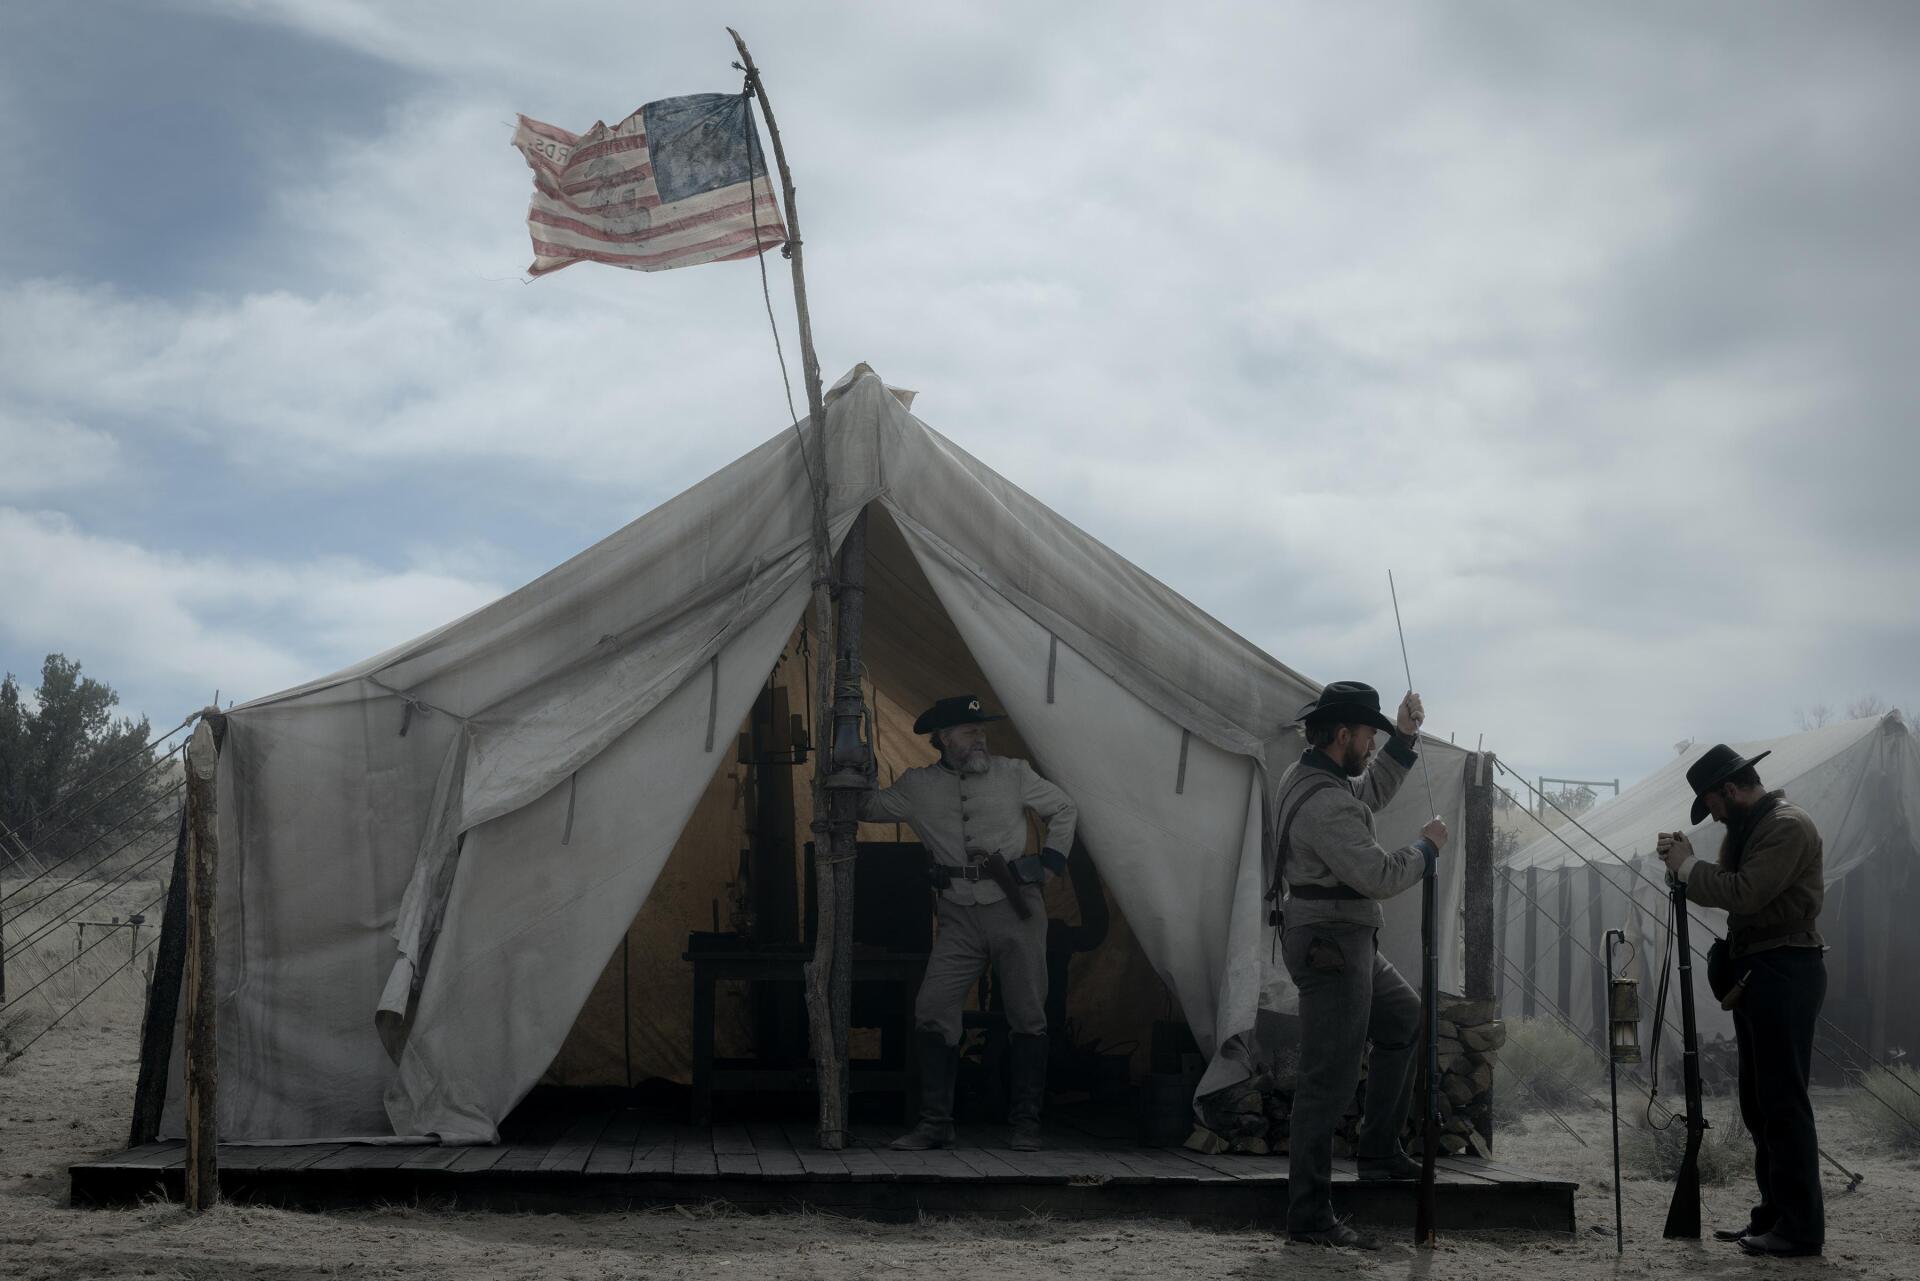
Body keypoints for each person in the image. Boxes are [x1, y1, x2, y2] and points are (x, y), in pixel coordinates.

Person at [859, 695, 1078, 1152]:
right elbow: (870, 809)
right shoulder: (918, 786)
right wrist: (854, 770)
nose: (980, 737)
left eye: (981, 730)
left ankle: (1025, 1124)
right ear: (942, 738)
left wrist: (1048, 863)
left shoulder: (1014, 773)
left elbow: (1063, 808)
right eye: (968, 730)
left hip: (1015, 908)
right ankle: (936, 1123)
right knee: (933, 1009)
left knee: (1027, 1014)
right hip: (958, 915)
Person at [1273, 680, 1447, 1249]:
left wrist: (1404, 737)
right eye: (1370, 734)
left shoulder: (1317, 780)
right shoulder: (1324, 801)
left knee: (1404, 1019)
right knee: (1328, 1079)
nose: (1372, 744)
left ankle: (1376, 1152)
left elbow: (1365, 794)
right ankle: (1309, 1216)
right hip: (1333, 944)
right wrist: (1426, 850)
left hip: (1344, 939)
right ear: (1343, 734)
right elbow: (1378, 876)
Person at [1658, 743, 1826, 1259]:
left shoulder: (1786, 825)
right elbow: (1733, 884)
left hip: (1785, 970)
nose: (1713, 814)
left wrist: (1689, 868)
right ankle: (1773, 1216)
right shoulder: (1754, 829)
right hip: (1762, 970)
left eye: (1712, 803)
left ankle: (1799, 1229)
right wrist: (1684, 865)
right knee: (1759, 1105)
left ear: (1729, 790)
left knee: (1782, 1105)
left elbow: (1745, 892)